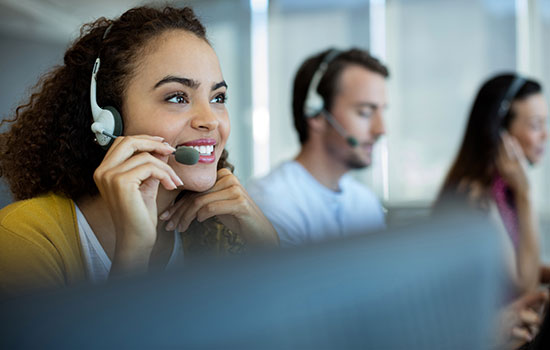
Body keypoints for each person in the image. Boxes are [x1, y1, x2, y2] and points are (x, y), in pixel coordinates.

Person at [0, 5, 278, 298]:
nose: (210, 120)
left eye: (218, 97)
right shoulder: (23, 239)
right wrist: (133, 253)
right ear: (108, 118)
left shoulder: (215, 229)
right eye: (177, 97)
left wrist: (267, 246)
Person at [434, 73, 548, 348]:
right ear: (500, 133)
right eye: (536, 125)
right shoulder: (476, 195)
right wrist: (526, 194)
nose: (546, 135)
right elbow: (524, 282)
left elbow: (519, 264)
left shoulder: (502, 187)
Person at [247, 48, 388, 247]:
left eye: (382, 112)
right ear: (317, 115)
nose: (381, 129)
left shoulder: (365, 203)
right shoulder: (271, 202)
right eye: (365, 112)